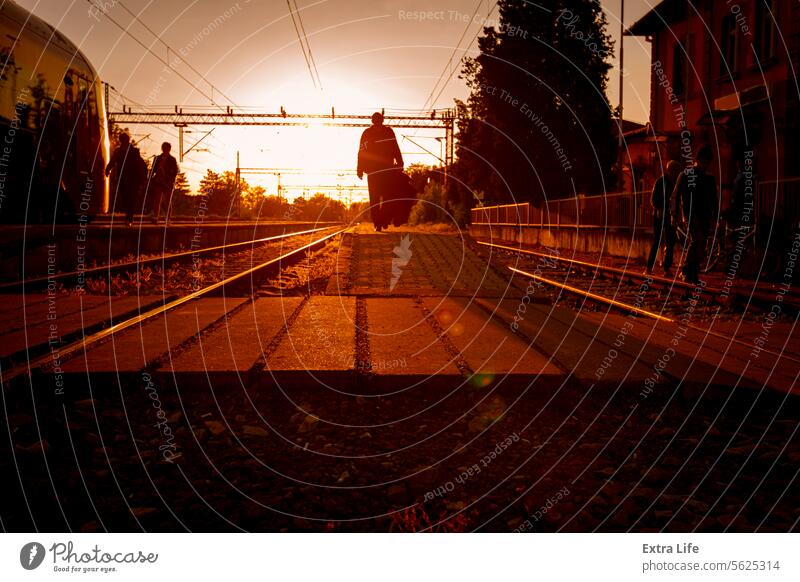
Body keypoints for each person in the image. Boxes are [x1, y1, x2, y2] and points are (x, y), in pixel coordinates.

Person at [673, 145, 717, 284]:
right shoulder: (686, 175)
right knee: (696, 239)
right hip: (690, 213)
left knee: (701, 243)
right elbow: (675, 195)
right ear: (696, 160)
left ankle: (693, 274)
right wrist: (674, 215)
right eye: (703, 161)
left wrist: (715, 215)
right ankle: (686, 270)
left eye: (707, 162)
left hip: (704, 215)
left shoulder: (710, 179)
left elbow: (714, 199)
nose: (705, 165)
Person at [357, 112, 403, 231]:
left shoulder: (368, 133)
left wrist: (360, 169)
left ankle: (379, 222)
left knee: (375, 198)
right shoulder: (387, 131)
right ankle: (381, 221)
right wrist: (400, 162)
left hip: (375, 171)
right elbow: (395, 147)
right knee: (387, 196)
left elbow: (361, 152)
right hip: (385, 169)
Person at [646, 160, 680, 276]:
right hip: (659, 216)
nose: (675, 172)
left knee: (670, 242)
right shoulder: (660, 181)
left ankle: (666, 268)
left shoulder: (677, 182)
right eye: (673, 169)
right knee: (657, 242)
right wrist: (660, 207)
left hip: (671, 216)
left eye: (676, 169)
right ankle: (649, 268)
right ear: (668, 170)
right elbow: (653, 199)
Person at [105, 133, 146, 225]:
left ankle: (129, 218)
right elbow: (113, 161)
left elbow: (139, 165)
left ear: (126, 140)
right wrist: (108, 169)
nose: (123, 142)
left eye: (124, 140)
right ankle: (128, 216)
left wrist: (142, 179)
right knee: (124, 196)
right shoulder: (118, 151)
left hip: (133, 178)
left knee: (131, 198)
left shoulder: (134, 151)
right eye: (122, 140)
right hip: (122, 177)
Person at [147, 142, 179, 223]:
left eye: (167, 148)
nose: (165, 150)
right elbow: (153, 169)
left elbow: (175, 171)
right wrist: (150, 178)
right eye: (164, 148)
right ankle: (155, 217)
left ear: (169, 149)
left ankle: (168, 218)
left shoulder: (172, 159)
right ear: (162, 148)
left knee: (167, 201)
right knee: (157, 200)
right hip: (158, 181)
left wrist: (170, 180)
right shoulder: (157, 158)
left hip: (167, 183)